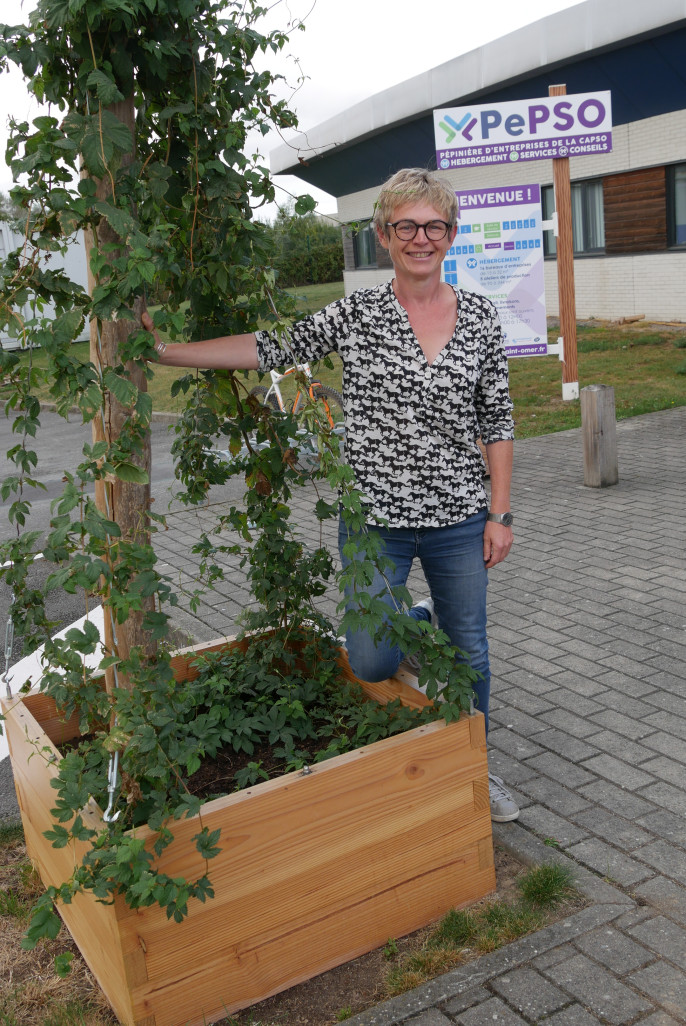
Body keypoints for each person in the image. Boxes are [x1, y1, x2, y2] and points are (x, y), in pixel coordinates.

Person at [143, 167, 519, 822]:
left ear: (451, 236)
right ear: (384, 236)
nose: (420, 237)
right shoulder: (360, 313)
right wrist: (168, 352)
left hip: (460, 517)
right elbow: (272, 346)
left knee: (473, 652)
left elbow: (498, 422)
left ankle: (476, 768)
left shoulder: (481, 318)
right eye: (406, 225)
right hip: (375, 520)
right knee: (373, 661)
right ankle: (414, 623)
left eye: (433, 225)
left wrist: (500, 513)